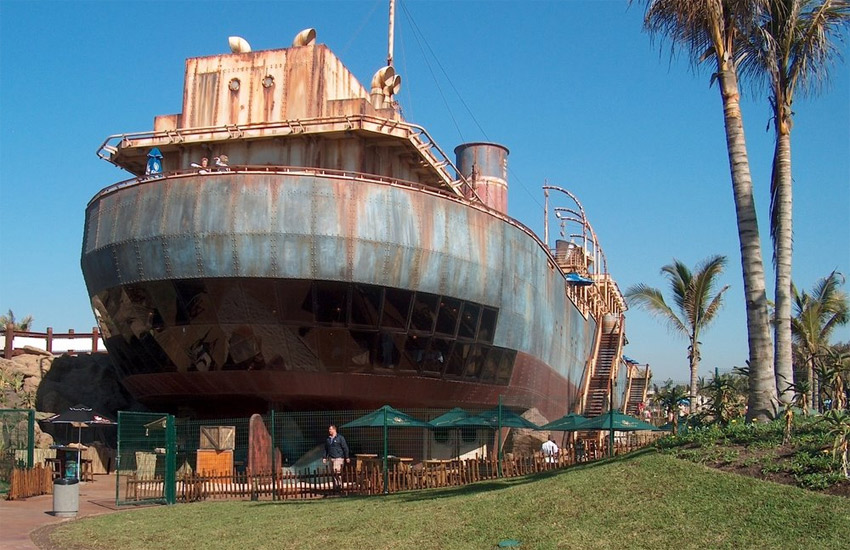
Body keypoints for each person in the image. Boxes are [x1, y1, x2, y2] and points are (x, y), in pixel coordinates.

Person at [323, 424, 350, 490]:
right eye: (329, 429)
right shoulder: (328, 439)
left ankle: (339, 485)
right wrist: (324, 457)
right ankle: (335, 486)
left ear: (334, 430)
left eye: (330, 429)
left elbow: (345, 448)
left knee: (337, 471)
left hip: (338, 458)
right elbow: (326, 449)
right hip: (331, 458)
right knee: (332, 473)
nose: (329, 430)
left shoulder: (340, 438)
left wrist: (347, 457)